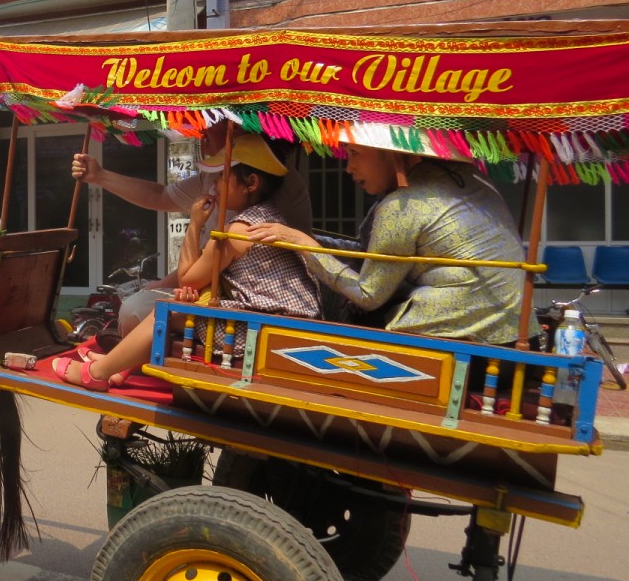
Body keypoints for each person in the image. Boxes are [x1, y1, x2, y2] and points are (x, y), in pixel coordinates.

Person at [53, 135, 320, 390]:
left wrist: (194, 223)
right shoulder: (266, 215)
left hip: (263, 328)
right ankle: (119, 366)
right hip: (278, 322)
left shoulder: (238, 231)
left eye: (222, 177)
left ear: (250, 183)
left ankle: (96, 374)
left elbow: (188, 277)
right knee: (181, 306)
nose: (214, 186)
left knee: (167, 312)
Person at [246, 144, 525, 373]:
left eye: (354, 153)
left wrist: (304, 244)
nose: (348, 167)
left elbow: (368, 294)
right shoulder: (466, 176)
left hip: (468, 348)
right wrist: (309, 242)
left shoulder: (404, 204)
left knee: (356, 314)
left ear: (390, 153)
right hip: (515, 336)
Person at [71, 121, 313, 335]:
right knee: (145, 303)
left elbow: (194, 275)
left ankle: (110, 368)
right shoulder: (225, 179)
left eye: (211, 123)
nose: (202, 133)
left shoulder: (256, 199)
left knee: (139, 310)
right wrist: (99, 176)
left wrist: (195, 226)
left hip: (248, 305)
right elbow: (162, 196)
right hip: (215, 286)